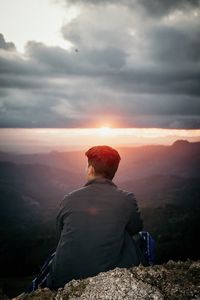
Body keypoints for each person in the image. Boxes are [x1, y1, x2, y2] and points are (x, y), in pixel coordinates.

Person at [46, 145, 146, 290]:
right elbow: (136, 228)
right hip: (106, 281)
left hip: (60, 281)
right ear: (114, 172)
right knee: (143, 237)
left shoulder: (68, 199)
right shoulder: (127, 199)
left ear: (91, 169)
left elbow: (60, 235)